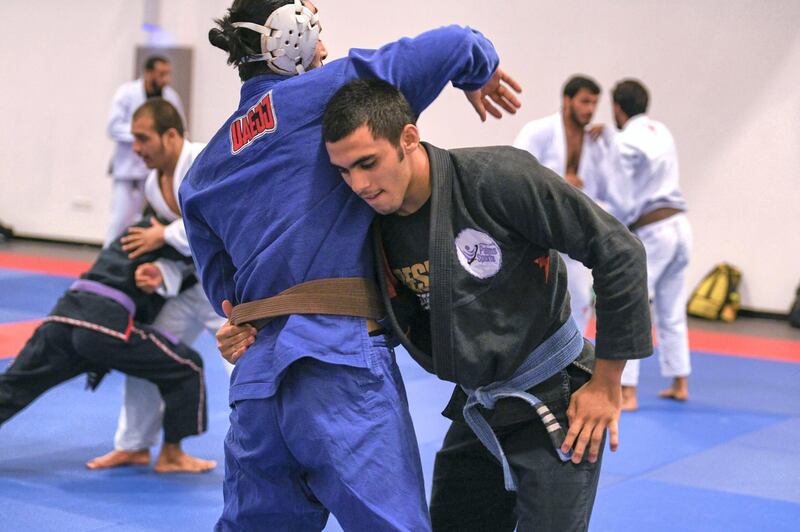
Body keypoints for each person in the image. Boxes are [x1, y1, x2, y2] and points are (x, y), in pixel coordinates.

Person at [180, 0, 521, 529]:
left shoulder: (203, 171)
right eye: (311, 27)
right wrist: (479, 72)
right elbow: (458, 41)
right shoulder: (328, 94)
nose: (322, 41)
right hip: (336, 364)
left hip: (255, 387)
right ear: (287, 37)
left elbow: (224, 297)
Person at [318, 78, 652, 530]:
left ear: (408, 139)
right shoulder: (372, 225)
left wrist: (608, 384)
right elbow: (350, 303)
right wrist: (254, 326)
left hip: (555, 401)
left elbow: (619, 251)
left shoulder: (497, 179)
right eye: (343, 171)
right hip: (481, 409)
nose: (357, 184)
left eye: (367, 163)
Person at [0, 221, 216, 474]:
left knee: (16, 384)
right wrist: (164, 238)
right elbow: (198, 252)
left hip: (63, 316)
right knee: (187, 365)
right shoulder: (162, 234)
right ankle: (172, 455)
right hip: (105, 324)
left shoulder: (137, 232)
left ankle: (138, 449)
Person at [87, 99, 231, 470]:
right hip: (186, 289)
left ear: (170, 135)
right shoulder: (153, 183)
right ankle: (135, 445)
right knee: (151, 357)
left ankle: (273, 455)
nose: (135, 147)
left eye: (142, 138)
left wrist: (163, 233)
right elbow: (175, 250)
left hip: (230, 289)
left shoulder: (204, 160)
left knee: (247, 367)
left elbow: (219, 221)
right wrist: (159, 272)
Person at [513, 75, 627, 335]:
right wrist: (560, 182)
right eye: (585, 101)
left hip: (571, 233)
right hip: (535, 233)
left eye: (594, 103)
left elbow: (610, 194)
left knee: (582, 302)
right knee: (530, 304)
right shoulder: (538, 131)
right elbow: (516, 175)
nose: (590, 109)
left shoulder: (594, 144)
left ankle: (574, 363)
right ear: (567, 101)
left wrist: (611, 142)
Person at [608, 79, 692, 411]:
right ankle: (680, 381)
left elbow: (620, 192)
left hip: (654, 230)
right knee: (672, 308)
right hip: (681, 226)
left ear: (617, 108)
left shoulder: (625, 140)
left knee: (633, 303)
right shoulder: (663, 131)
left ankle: (627, 391)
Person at [105, 56, 185, 247]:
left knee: (146, 220)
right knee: (119, 219)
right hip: (127, 169)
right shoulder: (126, 93)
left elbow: (180, 129)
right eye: (161, 74)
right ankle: (108, 262)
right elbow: (112, 127)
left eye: (168, 74)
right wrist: (144, 136)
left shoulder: (171, 98)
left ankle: (136, 264)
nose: (166, 79)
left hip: (154, 171)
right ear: (148, 73)